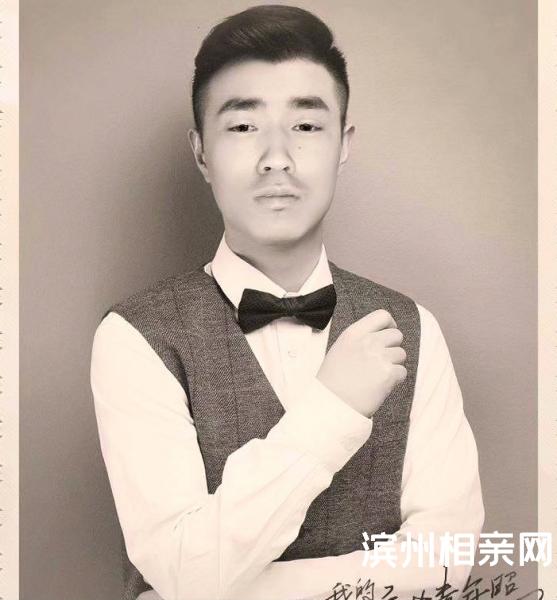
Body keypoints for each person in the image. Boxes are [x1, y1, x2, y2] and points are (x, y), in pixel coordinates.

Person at [90, 5, 484, 600]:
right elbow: (182, 569)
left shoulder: (413, 327)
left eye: (305, 125)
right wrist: (333, 408)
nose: (277, 157)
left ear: (343, 143)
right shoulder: (134, 336)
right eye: (243, 127)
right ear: (201, 153)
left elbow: (446, 560)